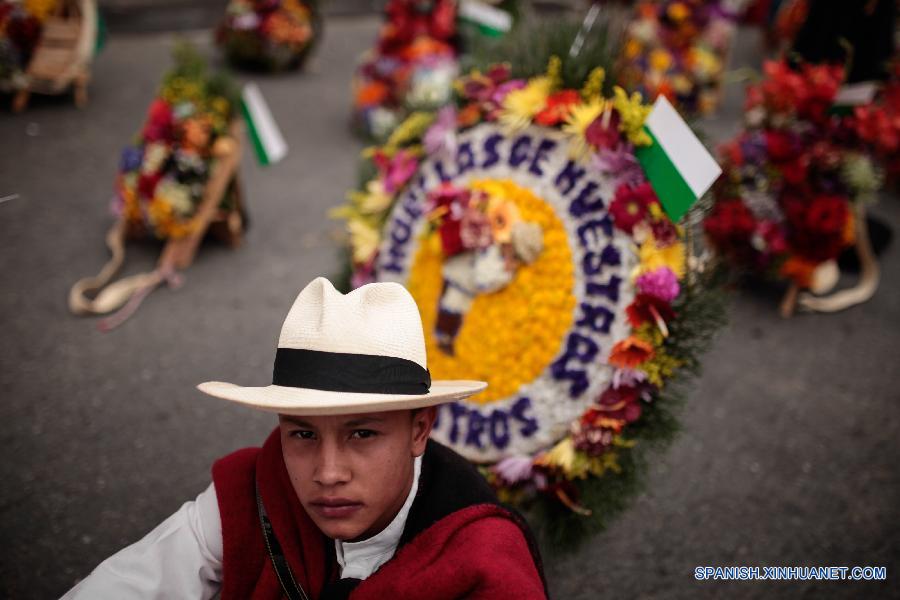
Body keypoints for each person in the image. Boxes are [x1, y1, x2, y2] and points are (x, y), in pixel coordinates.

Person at [63, 277, 548, 599]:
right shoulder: (254, 490)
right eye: (302, 433)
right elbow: (133, 583)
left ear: (419, 428)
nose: (328, 473)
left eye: (362, 432)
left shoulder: (485, 561)